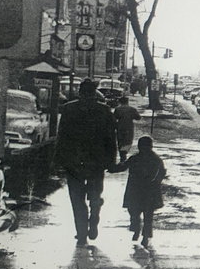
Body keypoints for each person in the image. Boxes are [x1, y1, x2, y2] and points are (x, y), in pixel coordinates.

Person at [54, 78, 117, 247]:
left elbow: (62, 136)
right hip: (96, 162)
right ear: (95, 93)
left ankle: (82, 234)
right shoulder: (104, 110)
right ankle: (94, 216)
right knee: (95, 195)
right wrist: (111, 161)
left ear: (80, 92)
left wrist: (57, 160)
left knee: (77, 199)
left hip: (74, 162)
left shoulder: (69, 109)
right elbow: (111, 138)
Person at [117, 136, 166, 248]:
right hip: (142, 190)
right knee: (136, 212)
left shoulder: (153, 159)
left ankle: (145, 235)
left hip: (143, 190)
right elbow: (124, 167)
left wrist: (156, 181)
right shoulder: (138, 158)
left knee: (145, 214)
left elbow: (162, 172)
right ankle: (137, 227)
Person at [114, 96, 141, 162]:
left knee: (120, 141)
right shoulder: (132, 109)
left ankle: (122, 155)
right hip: (129, 127)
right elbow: (138, 117)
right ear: (127, 102)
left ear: (120, 102)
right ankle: (124, 153)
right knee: (128, 140)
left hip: (120, 126)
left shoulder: (117, 109)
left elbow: (115, 117)